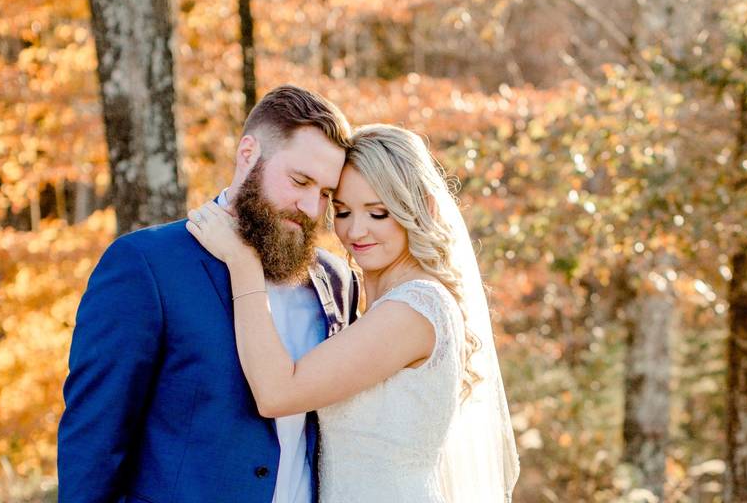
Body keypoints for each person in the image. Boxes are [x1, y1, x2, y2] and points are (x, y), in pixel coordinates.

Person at [186, 124, 520, 502]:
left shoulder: (414, 310)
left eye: (378, 213)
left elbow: (277, 393)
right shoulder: (373, 304)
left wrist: (243, 264)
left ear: (422, 209)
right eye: (343, 211)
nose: (356, 231)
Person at [57, 86, 359, 503]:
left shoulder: (335, 282)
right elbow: (93, 443)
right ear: (248, 153)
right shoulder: (146, 266)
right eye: (299, 181)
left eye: (326, 194)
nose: (311, 207)